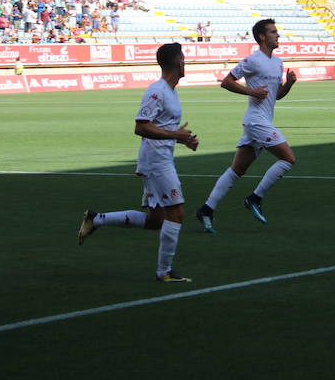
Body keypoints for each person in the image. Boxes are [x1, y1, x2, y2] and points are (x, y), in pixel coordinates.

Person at [77, 43, 199, 282]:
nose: (185, 62)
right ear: (177, 62)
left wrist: (182, 139)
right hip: (157, 163)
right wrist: (175, 135)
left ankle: (97, 218)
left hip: (159, 158)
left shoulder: (171, 92)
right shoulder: (158, 91)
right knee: (177, 213)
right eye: (183, 58)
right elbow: (141, 126)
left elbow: (160, 127)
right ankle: (164, 273)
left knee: (156, 221)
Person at [195, 19, 297, 233]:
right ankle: (254, 198)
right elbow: (226, 82)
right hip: (255, 121)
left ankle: (206, 209)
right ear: (262, 36)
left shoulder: (277, 63)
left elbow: (275, 95)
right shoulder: (252, 60)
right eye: (273, 32)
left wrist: (289, 84)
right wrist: (251, 92)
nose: (277, 35)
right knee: (288, 159)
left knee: (236, 170)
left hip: (262, 121)